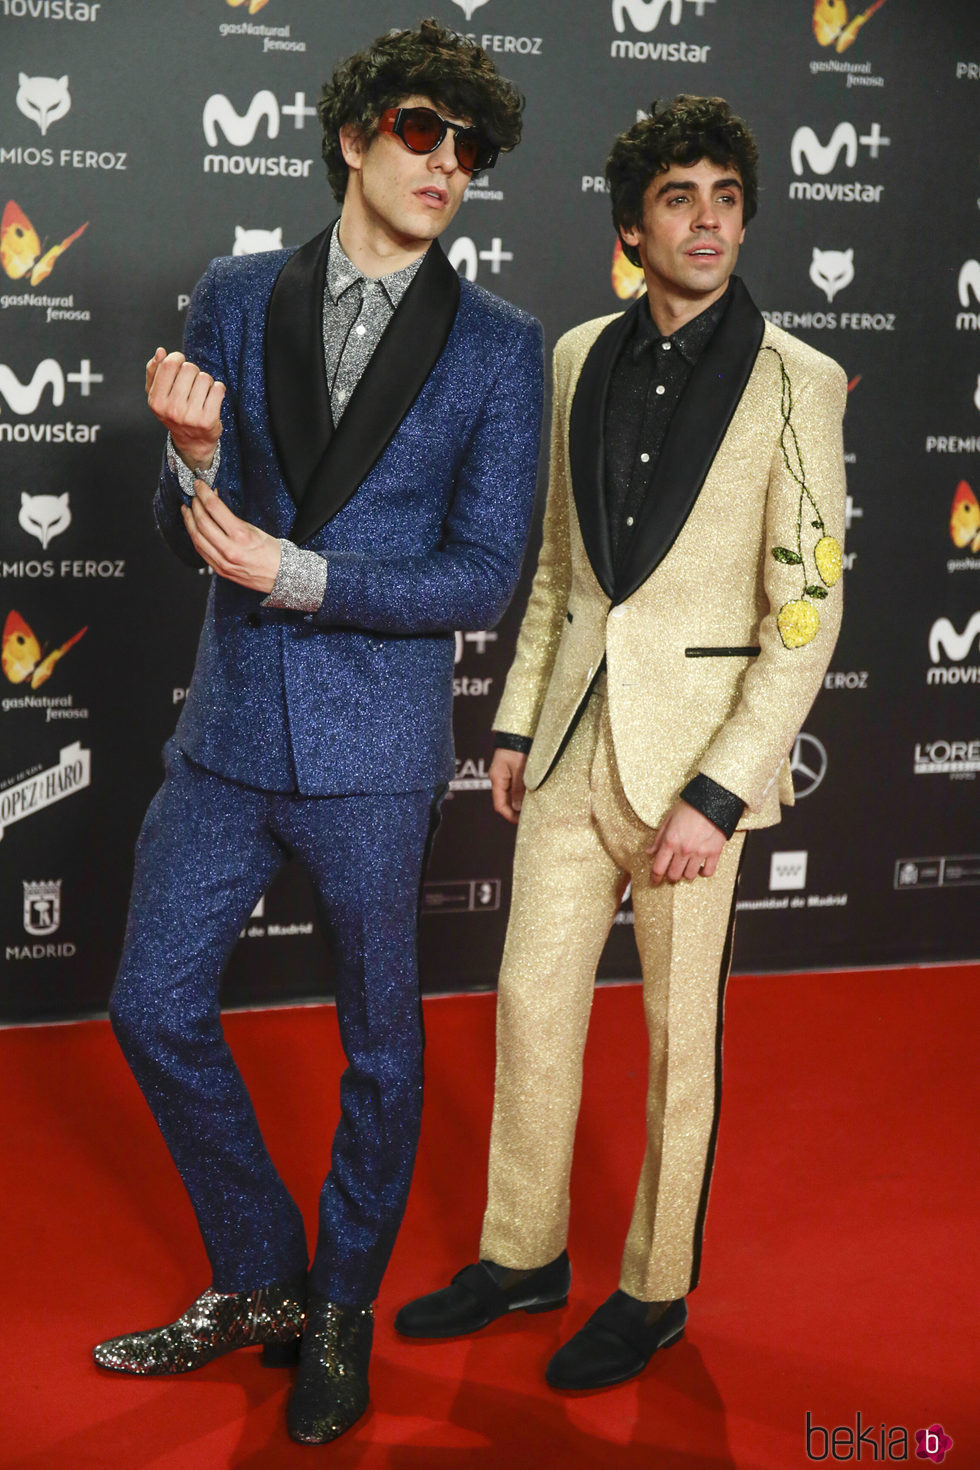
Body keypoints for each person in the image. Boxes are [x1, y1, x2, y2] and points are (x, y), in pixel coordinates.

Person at [92, 19, 542, 1446]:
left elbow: (485, 574)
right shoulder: (233, 292)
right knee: (150, 1005)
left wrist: (303, 574)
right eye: (422, 131)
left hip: (373, 748)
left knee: (381, 1050)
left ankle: (340, 1304)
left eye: (468, 149)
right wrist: (196, 463)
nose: (446, 165)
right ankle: (261, 1276)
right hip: (226, 732)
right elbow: (187, 541)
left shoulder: (501, 346)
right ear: (354, 136)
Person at [396, 95, 847, 1393]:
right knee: (532, 1008)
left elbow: (805, 616)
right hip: (570, 753)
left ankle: (652, 1289)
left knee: (674, 1038)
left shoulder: (797, 381)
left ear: (745, 216)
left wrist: (723, 789)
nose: (706, 221)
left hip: (693, 771)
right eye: (677, 198)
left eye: (724, 197)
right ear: (633, 225)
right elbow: (556, 571)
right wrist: (520, 721)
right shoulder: (578, 354)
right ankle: (522, 1251)